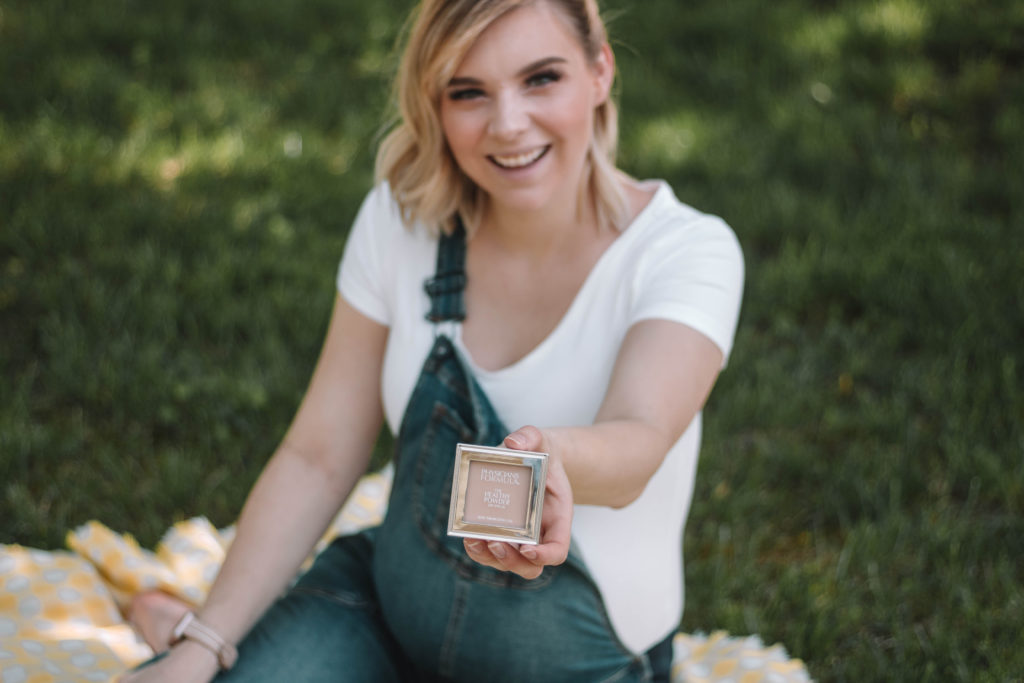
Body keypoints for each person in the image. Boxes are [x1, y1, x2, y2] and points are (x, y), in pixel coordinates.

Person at [122, 0, 743, 680]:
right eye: (468, 91)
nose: (508, 125)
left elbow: (640, 437)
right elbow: (318, 455)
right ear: (435, 106)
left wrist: (555, 457)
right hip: (385, 611)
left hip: (571, 662)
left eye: (542, 79)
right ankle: (177, 623)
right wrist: (202, 644)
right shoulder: (402, 218)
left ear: (600, 72)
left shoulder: (685, 251)